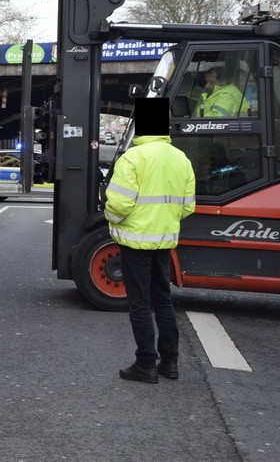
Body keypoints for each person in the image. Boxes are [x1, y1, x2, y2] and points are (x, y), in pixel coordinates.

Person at [104, 97, 196, 384]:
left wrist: (112, 220)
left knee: (140, 303)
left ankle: (145, 365)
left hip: (134, 241)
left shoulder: (132, 158)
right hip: (164, 241)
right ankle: (170, 363)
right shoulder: (180, 157)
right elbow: (187, 206)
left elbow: (118, 205)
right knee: (163, 300)